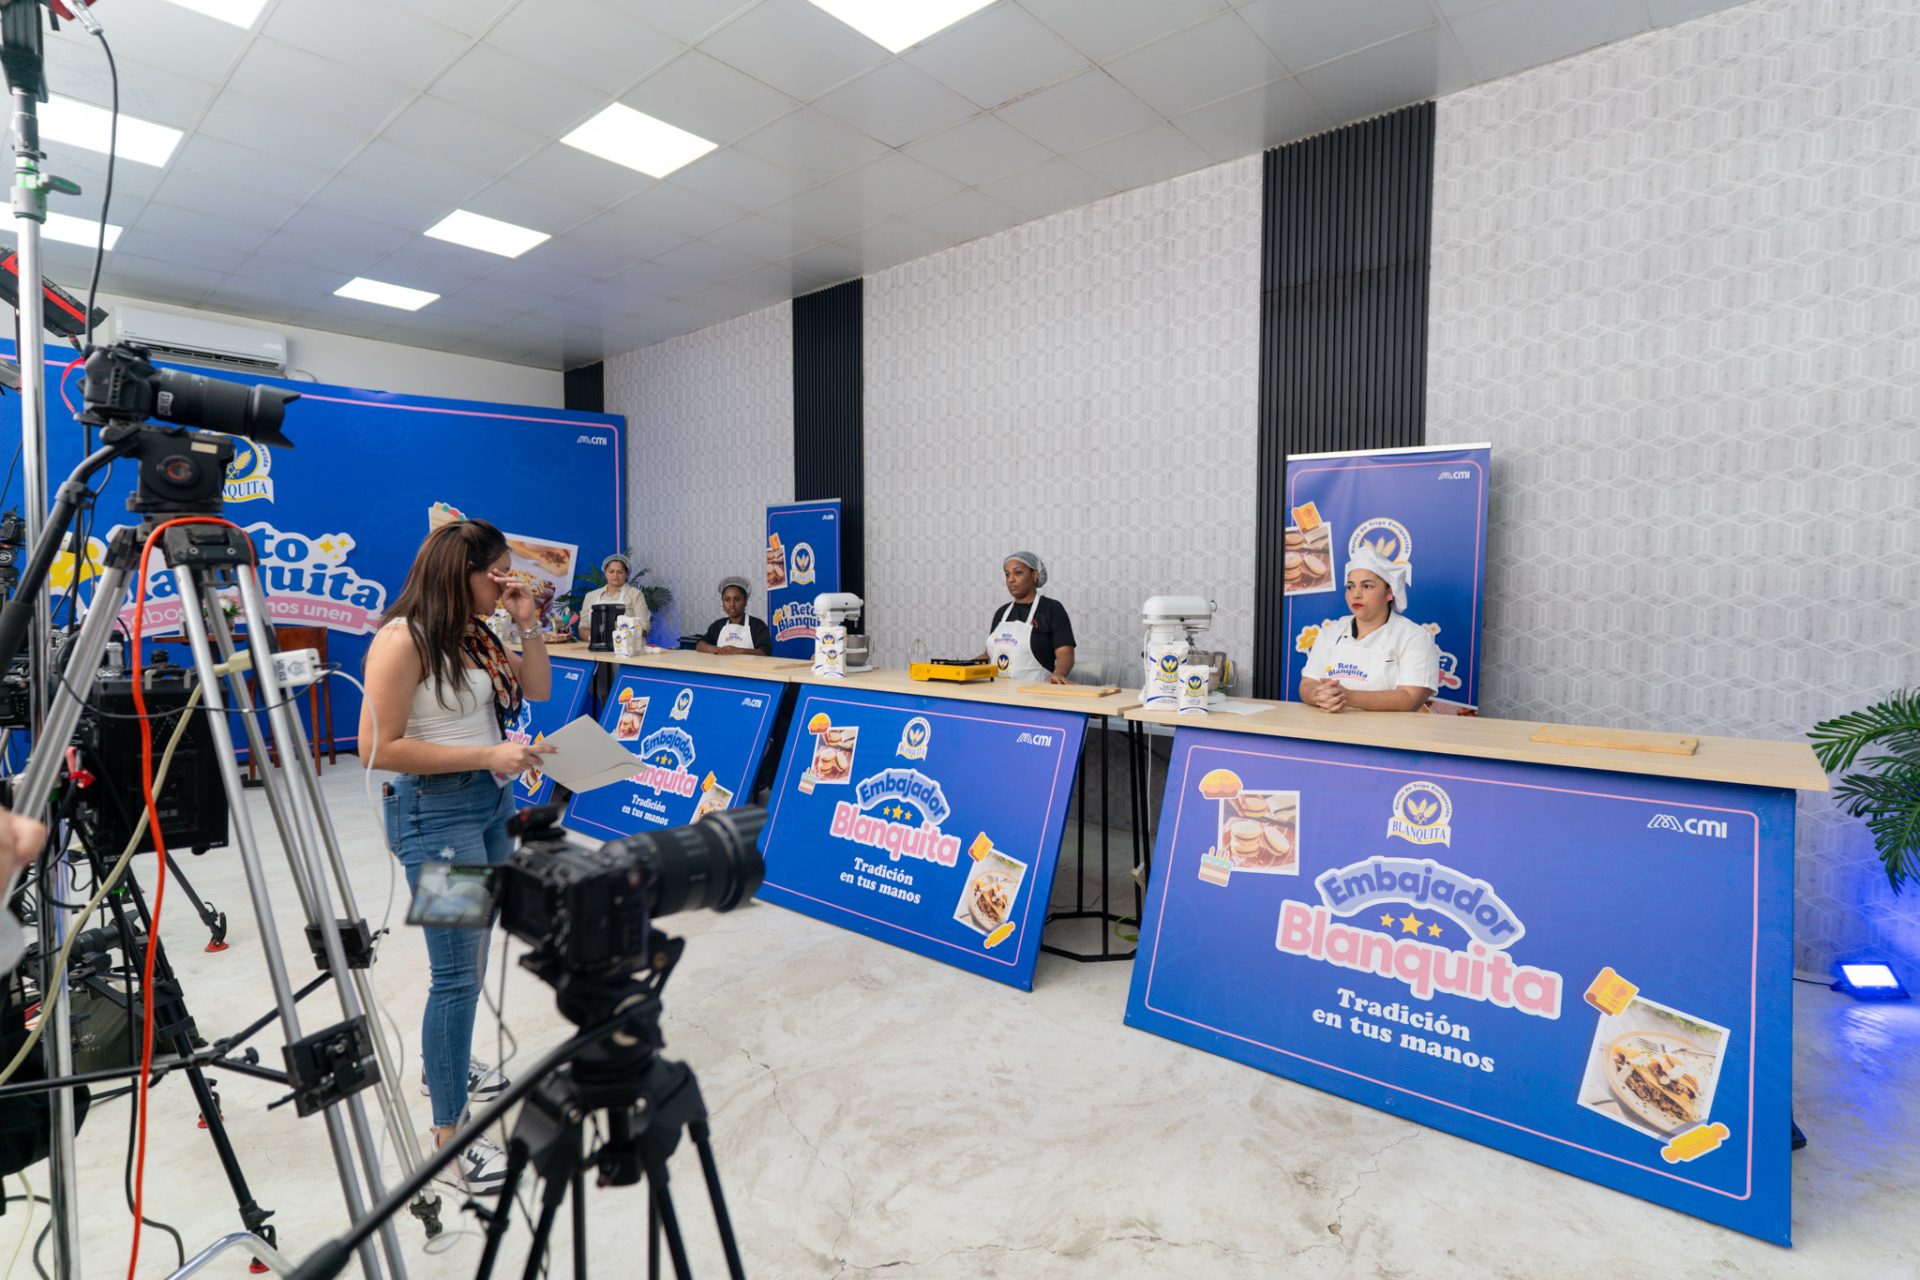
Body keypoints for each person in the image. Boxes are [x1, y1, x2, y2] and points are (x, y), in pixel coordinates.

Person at [359, 519, 554, 1194]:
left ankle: (446, 1063)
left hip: (489, 806)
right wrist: (486, 752)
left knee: (470, 954)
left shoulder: (474, 632)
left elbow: (537, 690)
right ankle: (449, 1138)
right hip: (435, 814)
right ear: (459, 572)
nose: (507, 583)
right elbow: (377, 748)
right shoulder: (403, 639)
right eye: (496, 573)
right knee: (455, 975)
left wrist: (527, 623)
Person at [1298, 547, 1438, 713]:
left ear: (1389, 592)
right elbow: (1307, 683)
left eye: (1367, 586)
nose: (1356, 594)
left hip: (1389, 729)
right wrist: (1318, 695)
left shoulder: (1414, 637)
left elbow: (1409, 698)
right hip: (1330, 725)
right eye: (1350, 587)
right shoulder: (1330, 633)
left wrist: (1346, 696)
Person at [976, 551, 1075, 684]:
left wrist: (1057, 675)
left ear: (1035, 575)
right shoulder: (1002, 613)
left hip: (1036, 690)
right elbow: (989, 655)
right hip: (997, 690)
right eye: (1007, 574)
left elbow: (1065, 653)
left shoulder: (1051, 609)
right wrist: (962, 666)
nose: (1010, 579)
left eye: (1018, 573)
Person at [572, 552, 649, 641]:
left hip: (627, 647)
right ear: (605, 573)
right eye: (611, 571)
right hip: (598, 647)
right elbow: (583, 628)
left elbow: (644, 627)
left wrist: (620, 641)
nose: (615, 575)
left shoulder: (635, 594)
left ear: (626, 574)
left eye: (620, 572)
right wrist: (596, 640)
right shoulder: (591, 596)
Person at [696, 577, 771, 655]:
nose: (732, 604)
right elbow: (699, 644)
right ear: (722, 602)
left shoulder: (757, 625)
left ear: (745, 601)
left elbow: (765, 652)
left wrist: (739, 651)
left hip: (747, 663)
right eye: (727, 600)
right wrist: (712, 649)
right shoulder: (718, 625)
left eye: (737, 599)